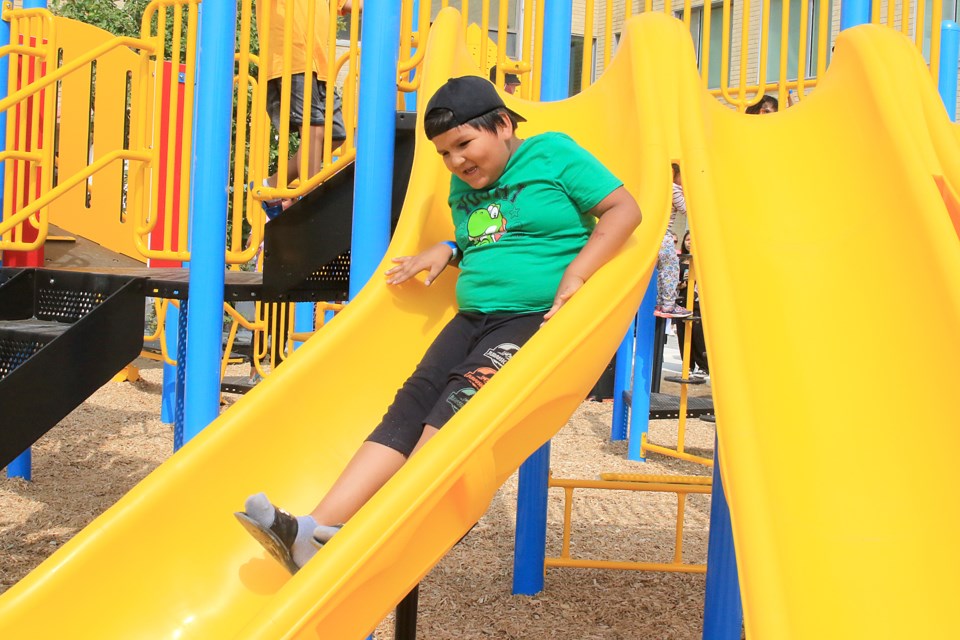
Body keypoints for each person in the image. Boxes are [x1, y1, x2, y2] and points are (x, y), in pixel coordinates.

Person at [235, 75, 643, 573]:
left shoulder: (552, 154)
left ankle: (380, 530)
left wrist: (578, 275)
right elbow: (484, 240)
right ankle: (314, 528)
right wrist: (447, 249)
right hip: (472, 316)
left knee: (449, 413)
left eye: (464, 145)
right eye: (445, 153)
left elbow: (623, 208)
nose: (456, 162)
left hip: (531, 319)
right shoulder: (462, 186)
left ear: (502, 125)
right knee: (407, 408)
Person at [255, 0, 360, 218]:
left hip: (319, 63)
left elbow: (348, 4)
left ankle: (272, 184)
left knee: (337, 135)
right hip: (291, 57)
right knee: (314, 131)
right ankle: (311, 203)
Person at [653, 164, 692, 318]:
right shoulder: (673, 189)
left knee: (663, 270)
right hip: (664, 235)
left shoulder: (661, 188)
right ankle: (668, 306)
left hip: (657, 235)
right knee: (670, 269)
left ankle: (663, 304)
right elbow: (686, 209)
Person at [675, 230, 709, 375]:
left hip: (696, 301)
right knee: (682, 333)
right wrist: (680, 284)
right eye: (687, 240)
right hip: (682, 299)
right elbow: (674, 282)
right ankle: (687, 365)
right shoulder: (679, 260)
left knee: (697, 333)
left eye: (692, 240)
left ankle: (703, 365)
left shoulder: (702, 261)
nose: (689, 243)